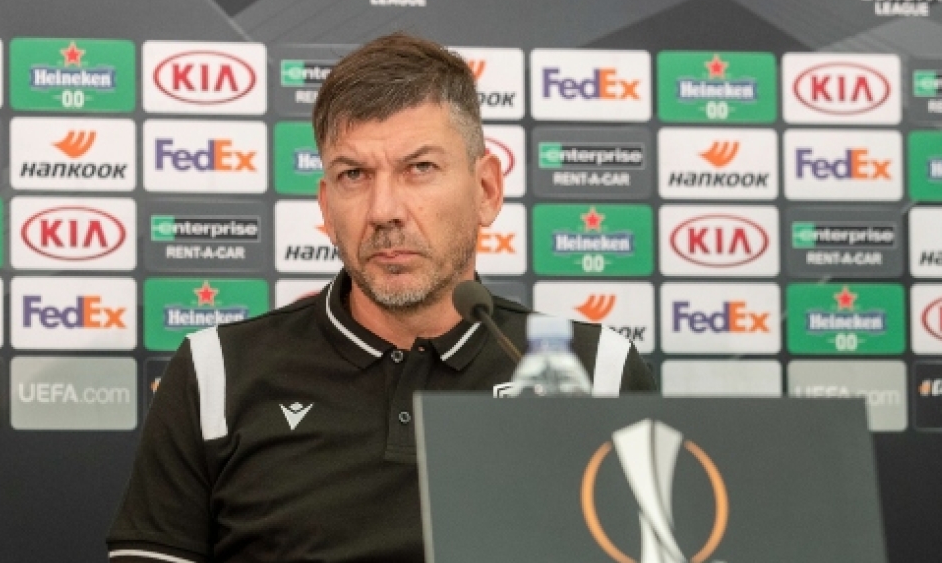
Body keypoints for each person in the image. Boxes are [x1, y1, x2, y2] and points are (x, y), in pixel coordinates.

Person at [106, 32, 656, 563]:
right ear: (326, 207)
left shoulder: (596, 373)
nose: (384, 210)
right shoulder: (215, 373)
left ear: (486, 189)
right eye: (354, 174)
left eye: (420, 168)